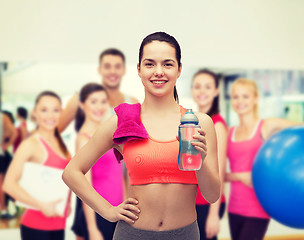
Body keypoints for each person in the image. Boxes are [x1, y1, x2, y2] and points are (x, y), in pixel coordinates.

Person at [63, 31, 221, 240]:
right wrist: (108, 210)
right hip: (132, 234)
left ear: (179, 69)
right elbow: (72, 172)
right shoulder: (123, 121)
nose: (158, 72)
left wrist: (199, 161)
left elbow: (212, 196)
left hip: (185, 234)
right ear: (138, 69)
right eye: (149, 64)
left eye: (167, 64)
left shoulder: (199, 123)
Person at [225, 78, 302, 240]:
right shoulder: (228, 132)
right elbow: (218, 174)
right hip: (234, 208)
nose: (240, 101)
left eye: (245, 96)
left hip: (258, 209)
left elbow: (300, 128)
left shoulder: (266, 126)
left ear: (255, 99)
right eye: (235, 97)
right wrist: (239, 176)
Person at [3, 91, 71, 240]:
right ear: (35, 113)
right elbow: (8, 184)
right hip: (36, 226)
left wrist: (68, 202)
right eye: (44, 110)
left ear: (61, 112)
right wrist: (41, 205)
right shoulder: (30, 144)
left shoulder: (60, 144)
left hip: (58, 223)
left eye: (55, 110)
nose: (50, 116)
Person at [72, 83, 123, 240]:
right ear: (82, 105)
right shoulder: (83, 140)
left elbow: (119, 175)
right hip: (99, 214)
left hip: (118, 211)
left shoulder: (109, 133)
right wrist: (92, 228)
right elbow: (84, 188)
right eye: (93, 102)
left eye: (103, 101)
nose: (99, 107)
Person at [58, 48, 138, 133]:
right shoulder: (81, 98)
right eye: (107, 66)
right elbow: (53, 133)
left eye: (117, 67)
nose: (112, 71)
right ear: (99, 70)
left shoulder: (133, 103)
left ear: (124, 70)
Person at [191, 69, 228, 240]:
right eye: (197, 86)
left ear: (216, 91)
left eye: (207, 87)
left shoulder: (217, 125)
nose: (202, 91)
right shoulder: (193, 121)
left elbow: (218, 171)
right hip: (192, 200)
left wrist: (213, 215)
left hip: (208, 202)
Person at [0, 111, 17, 218]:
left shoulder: (3, 116)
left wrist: (6, 145)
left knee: (2, 183)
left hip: (1, 155)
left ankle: (4, 209)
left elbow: (14, 132)